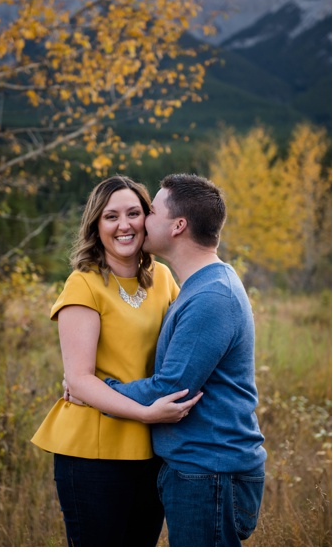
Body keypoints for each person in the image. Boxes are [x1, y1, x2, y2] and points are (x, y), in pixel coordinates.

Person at [31, 175, 202, 547]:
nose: (124, 225)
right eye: (111, 216)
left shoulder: (164, 278)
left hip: (154, 451)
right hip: (93, 453)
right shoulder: (84, 284)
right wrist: (145, 414)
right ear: (96, 225)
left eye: (133, 213)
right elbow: (79, 380)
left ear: (148, 219)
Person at [100, 173, 267, 547]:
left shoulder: (212, 296)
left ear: (178, 226)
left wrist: (100, 391)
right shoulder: (201, 285)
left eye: (151, 211)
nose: (143, 220)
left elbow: (171, 388)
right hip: (203, 469)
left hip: (210, 471)